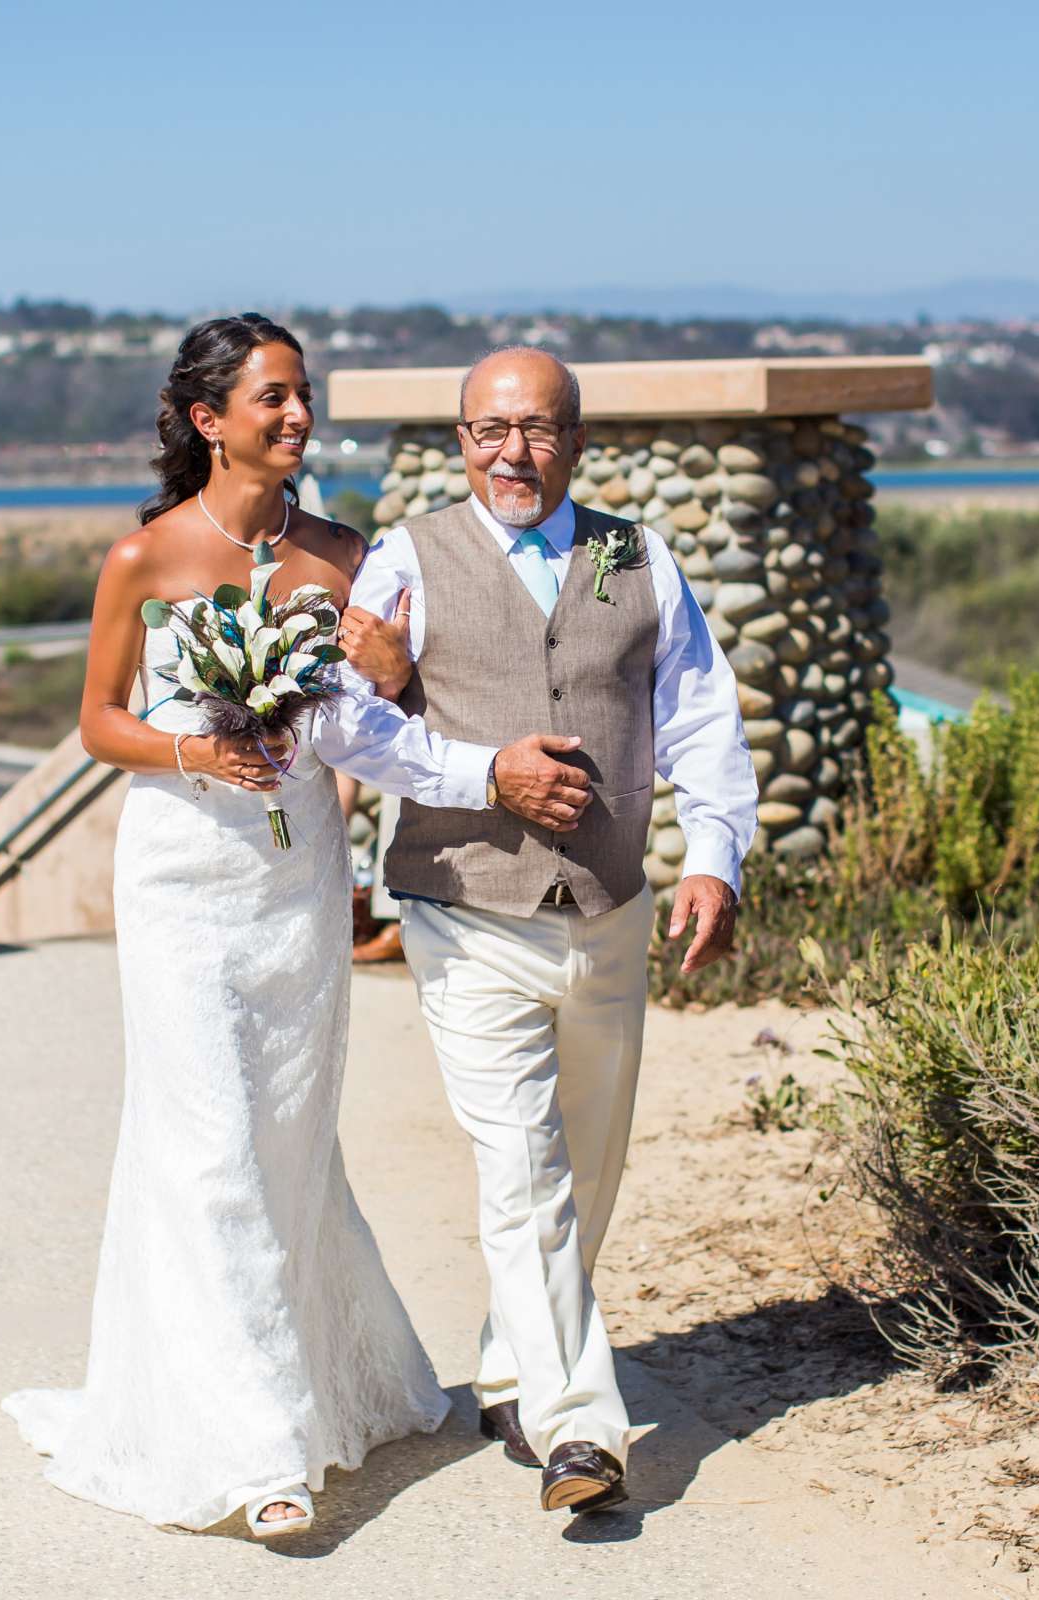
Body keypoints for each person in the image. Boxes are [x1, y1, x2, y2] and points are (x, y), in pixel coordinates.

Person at [3, 314, 496, 1539]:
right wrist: (194, 747)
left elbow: (391, 708)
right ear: (209, 418)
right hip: (178, 874)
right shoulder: (144, 559)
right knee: (211, 1144)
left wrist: (386, 671)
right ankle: (259, 1445)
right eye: (270, 397)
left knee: (284, 1136)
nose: (295, 414)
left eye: (304, 394)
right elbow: (98, 722)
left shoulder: (345, 556)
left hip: (296, 881)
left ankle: (322, 1376)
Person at [338, 346, 757, 1514]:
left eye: (535, 430)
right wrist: (486, 774)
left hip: (609, 911)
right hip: (464, 909)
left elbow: (699, 713)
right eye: (487, 429)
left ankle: (514, 1361)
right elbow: (343, 723)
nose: (510, 452)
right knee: (523, 1166)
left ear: (577, 440)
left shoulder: (636, 551)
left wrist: (717, 854)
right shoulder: (404, 558)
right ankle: (582, 1432)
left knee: (587, 1163)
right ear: (459, 438)